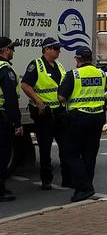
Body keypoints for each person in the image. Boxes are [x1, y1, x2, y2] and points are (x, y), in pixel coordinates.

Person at [57, 46, 106, 202]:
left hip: (79, 118)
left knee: (71, 153)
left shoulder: (74, 75)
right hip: (98, 117)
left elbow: (61, 97)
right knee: (90, 154)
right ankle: (85, 186)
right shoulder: (101, 73)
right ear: (90, 59)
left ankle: (84, 188)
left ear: (77, 59)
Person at [21, 37, 69, 190]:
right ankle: (46, 179)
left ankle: (67, 178)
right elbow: (25, 85)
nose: (59, 51)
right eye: (56, 48)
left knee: (65, 146)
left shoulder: (59, 65)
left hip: (59, 112)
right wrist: (39, 102)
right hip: (44, 113)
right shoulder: (36, 65)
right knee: (45, 147)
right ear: (46, 49)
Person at [0, 37, 23, 202]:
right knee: (2, 155)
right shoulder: (6, 70)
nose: (13, 51)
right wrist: (17, 122)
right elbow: (10, 99)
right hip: (2, 119)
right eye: (12, 48)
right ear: (5, 50)